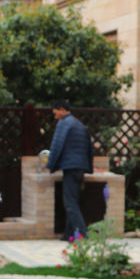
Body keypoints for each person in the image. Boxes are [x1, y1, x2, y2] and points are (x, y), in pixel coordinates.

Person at [46, 99, 93, 240]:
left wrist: (50, 165)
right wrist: (88, 167)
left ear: (61, 110)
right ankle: (68, 235)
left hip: (71, 168)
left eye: (55, 114)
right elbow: (89, 148)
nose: (55, 117)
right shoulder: (78, 124)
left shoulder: (64, 123)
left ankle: (82, 235)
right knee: (72, 201)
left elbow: (56, 145)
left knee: (69, 203)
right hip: (80, 167)